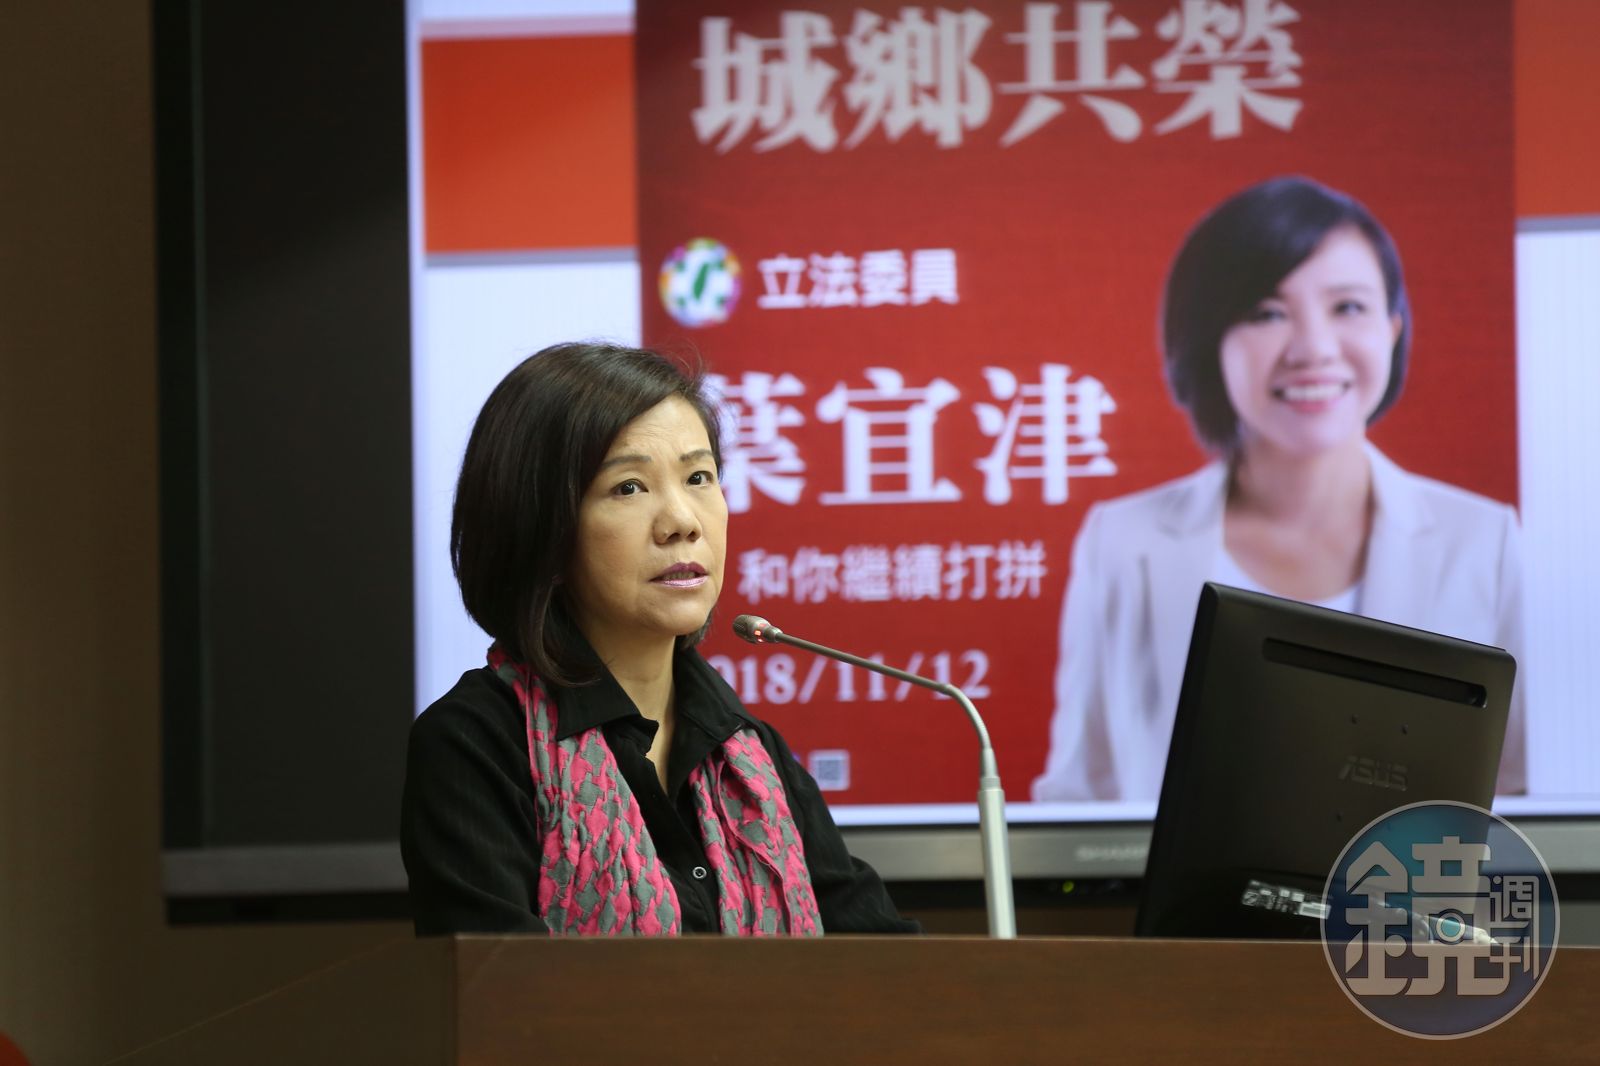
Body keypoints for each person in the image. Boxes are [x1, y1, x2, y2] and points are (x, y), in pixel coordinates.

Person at [1031, 176, 1527, 803]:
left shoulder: (1484, 540)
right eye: (1267, 313)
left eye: (1348, 307)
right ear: (1209, 341)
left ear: (1393, 328)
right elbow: (1078, 794)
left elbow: (1522, 791)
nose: (1314, 349)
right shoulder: (1122, 541)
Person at [402, 341, 918, 935]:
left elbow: (881, 959)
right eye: (629, 487)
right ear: (540, 526)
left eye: (699, 477)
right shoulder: (477, 744)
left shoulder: (751, 756)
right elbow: (495, 983)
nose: (682, 521)